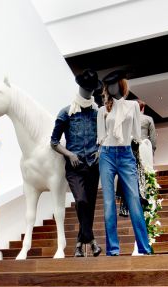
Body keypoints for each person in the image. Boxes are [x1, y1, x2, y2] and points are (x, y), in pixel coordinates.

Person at [97, 71, 152, 256]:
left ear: (121, 85)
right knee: (108, 203)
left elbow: (137, 134)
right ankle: (113, 250)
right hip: (106, 155)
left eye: (114, 84)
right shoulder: (103, 110)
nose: (110, 88)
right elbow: (101, 137)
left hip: (126, 154)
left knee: (134, 201)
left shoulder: (133, 107)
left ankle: (144, 248)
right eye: (108, 85)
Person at [50, 68, 102, 257]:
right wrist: (70, 154)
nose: (89, 92)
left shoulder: (98, 113)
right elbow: (54, 142)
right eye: (86, 88)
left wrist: (101, 150)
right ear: (80, 87)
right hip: (75, 168)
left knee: (89, 206)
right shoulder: (66, 113)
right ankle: (93, 240)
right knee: (80, 200)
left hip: (93, 166)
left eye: (91, 89)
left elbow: (105, 138)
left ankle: (80, 244)